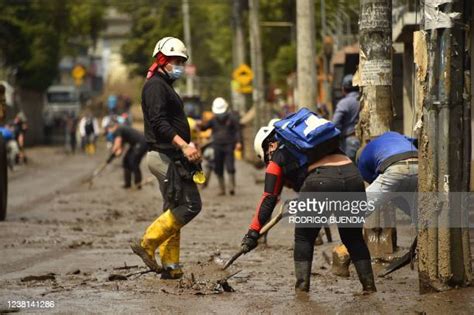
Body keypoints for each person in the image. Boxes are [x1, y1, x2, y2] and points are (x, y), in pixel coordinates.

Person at [240, 114, 376, 293]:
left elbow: (269, 198)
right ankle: (369, 287)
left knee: (304, 237)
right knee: (353, 237)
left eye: (267, 158)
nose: (269, 162)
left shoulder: (278, 155)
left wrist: (252, 233)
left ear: (270, 146)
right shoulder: (313, 147)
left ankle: (302, 291)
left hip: (320, 183)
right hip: (353, 178)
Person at [130, 36, 202, 280]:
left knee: (173, 208)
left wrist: (186, 148)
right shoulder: (155, 87)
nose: (179, 65)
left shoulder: (165, 86)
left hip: (173, 156)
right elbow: (159, 123)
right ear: (161, 59)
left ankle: (171, 265)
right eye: (174, 60)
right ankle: (147, 243)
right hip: (163, 156)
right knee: (190, 206)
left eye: (182, 61)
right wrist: (184, 145)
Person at [358, 131, 418, 219]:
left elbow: (373, 181)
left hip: (395, 170)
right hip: (418, 165)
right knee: (419, 212)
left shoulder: (362, 159)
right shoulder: (393, 135)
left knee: (359, 208)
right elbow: (416, 141)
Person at [200, 97, 242, 195]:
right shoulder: (213, 120)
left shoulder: (232, 119)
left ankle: (231, 187)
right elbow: (204, 127)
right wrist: (199, 125)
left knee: (230, 166)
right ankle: (222, 189)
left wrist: (239, 142)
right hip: (217, 146)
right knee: (218, 167)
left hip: (229, 145)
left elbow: (237, 131)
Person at [106, 121, 148, 189]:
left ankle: (138, 185)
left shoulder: (118, 129)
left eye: (110, 129)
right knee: (125, 161)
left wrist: (111, 155)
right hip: (135, 145)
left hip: (142, 143)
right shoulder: (120, 131)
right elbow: (119, 150)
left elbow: (117, 144)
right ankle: (127, 184)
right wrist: (111, 158)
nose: (110, 131)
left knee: (134, 162)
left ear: (114, 126)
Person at [332, 74, 360, 161]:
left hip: (349, 142)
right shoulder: (363, 99)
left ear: (343, 89)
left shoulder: (344, 103)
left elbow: (335, 124)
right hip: (365, 141)